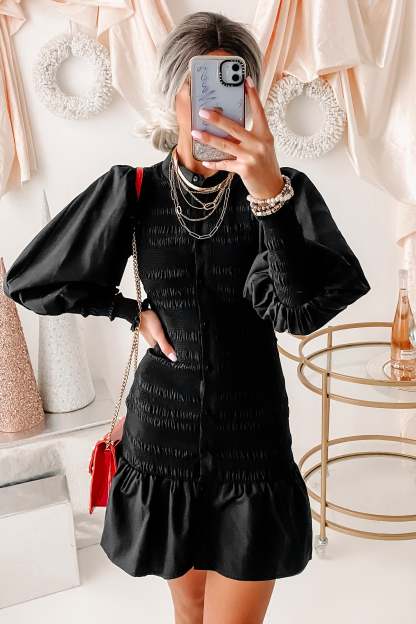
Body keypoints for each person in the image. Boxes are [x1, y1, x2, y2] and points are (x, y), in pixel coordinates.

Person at [3, 11, 371, 624]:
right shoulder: (135, 190)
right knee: (190, 609)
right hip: (161, 440)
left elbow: (298, 312)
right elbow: (31, 279)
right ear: (172, 91)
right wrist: (130, 310)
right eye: (202, 87)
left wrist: (268, 195)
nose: (216, 107)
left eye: (235, 87)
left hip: (250, 445)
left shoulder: (284, 193)